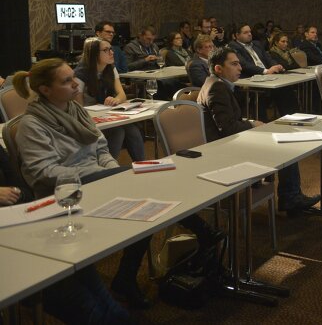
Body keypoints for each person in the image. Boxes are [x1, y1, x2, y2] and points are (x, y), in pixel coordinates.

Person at [14, 59, 224, 311]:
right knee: (149, 182)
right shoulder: (32, 124)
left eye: (73, 77)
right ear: (45, 90)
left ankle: (125, 278)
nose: (76, 84)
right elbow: (43, 171)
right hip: (66, 193)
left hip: (99, 179)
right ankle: (200, 231)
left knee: (149, 206)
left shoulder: (76, 110)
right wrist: (105, 176)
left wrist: (112, 173)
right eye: (66, 81)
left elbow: (101, 147)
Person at [198, 47, 320, 214]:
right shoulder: (216, 88)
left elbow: (226, 121)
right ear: (218, 69)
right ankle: (290, 198)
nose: (240, 68)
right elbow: (227, 128)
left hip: (228, 142)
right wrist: (251, 125)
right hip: (224, 150)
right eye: (234, 64)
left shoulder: (215, 83)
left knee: (278, 139)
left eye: (239, 64)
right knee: (285, 147)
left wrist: (250, 122)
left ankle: (290, 196)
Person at [74, 38, 146, 161]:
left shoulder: (110, 68)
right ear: (94, 54)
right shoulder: (80, 74)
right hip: (89, 120)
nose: (112, 53)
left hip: (107, 114)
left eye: (110, 49)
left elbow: (121, 95)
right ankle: (108, 169)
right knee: (117, 132)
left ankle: (143, 165)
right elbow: (78, 107)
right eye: (106, 50)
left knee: (132, 130)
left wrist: (116, 100)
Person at [228, 23, 298, 116]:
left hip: (266, 77)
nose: (249, 34)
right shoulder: (233, 47)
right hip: (250, 79)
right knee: (273, 93)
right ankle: (266, 121)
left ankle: (293, 117)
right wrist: (266, 71)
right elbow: (245, 64)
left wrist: (276, 66)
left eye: (250, 32)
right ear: (237, 35)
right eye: (245, 32)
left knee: (286, 88)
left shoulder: (256, 44)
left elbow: (268, 58)